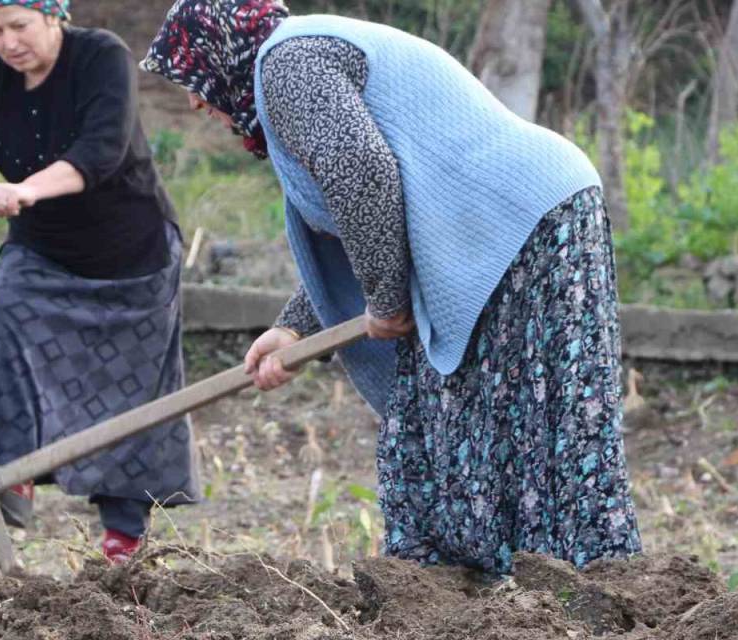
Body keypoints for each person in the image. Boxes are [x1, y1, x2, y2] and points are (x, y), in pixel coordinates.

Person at [142, 0, 642, 575]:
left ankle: (554, 590)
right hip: (516, 220)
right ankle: (473, 590)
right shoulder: (293, 67)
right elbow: (354, 214)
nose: (194, 100)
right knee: (455, 420)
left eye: (193, 74)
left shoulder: (287, 64)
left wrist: (385, 300)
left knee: (523, 417)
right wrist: (294, 327)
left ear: (223, 51)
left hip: (520, 222)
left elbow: (364, 176)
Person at [0, 0, 196, 564]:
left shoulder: (101, 56)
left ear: (55, 16)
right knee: (6, 310)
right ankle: (12, 480)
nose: (8, 43)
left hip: (131, 254)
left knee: (126, 395)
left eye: (20, 27)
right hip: (44, 249)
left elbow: (100, 150)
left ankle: (123, 537)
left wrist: (29, 188)